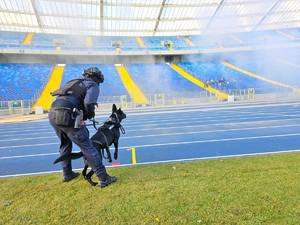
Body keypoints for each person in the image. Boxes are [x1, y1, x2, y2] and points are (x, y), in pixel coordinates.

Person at [48, 67, 117, 188]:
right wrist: (89, 114)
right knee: (88, 147)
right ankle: (104, 178)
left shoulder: (73, 82)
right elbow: (89, 103)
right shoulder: (93, 85)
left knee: (65, 144)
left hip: (52, 112)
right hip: (68, 114)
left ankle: (67, 174)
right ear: (97, 78)